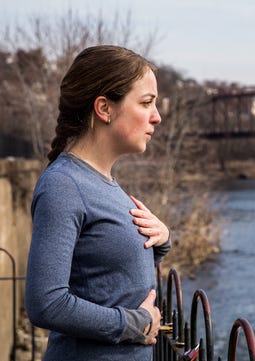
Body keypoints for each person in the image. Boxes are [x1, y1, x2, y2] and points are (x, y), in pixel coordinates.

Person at [25, 45, 171, 361]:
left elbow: (109, 280)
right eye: (146, 103)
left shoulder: (102, 184)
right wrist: (137, 324)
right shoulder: (64, 185)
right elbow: (46, 303)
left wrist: (160, 242)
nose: (156, 117)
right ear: (104, 108)